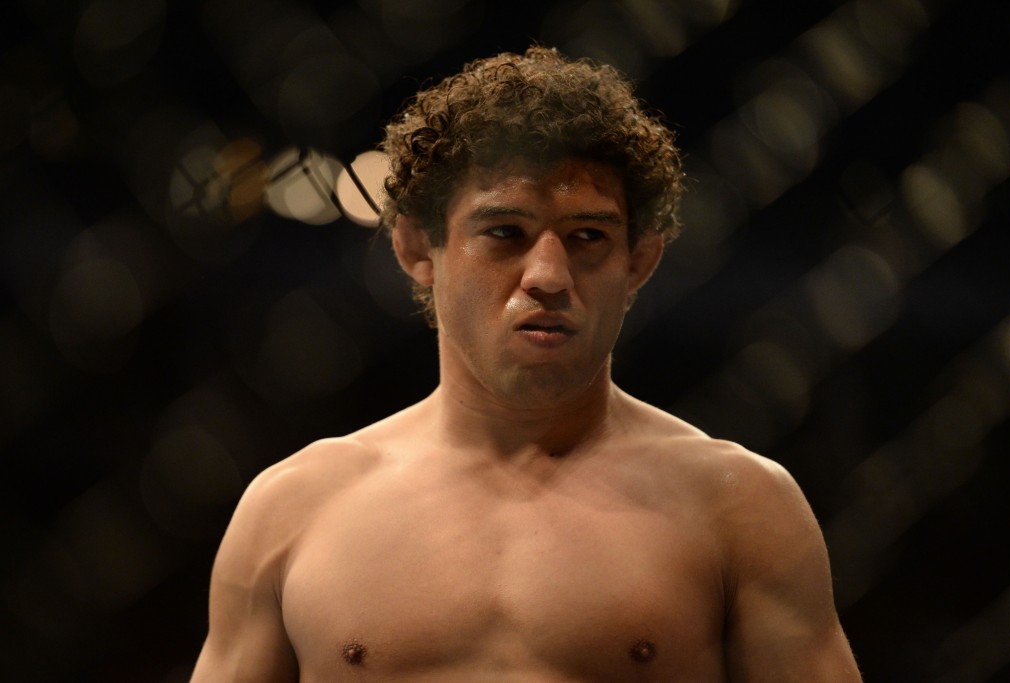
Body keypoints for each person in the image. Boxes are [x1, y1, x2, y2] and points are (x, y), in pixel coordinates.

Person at [191, 46, 861, 681]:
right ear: (417, 249)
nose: (547, 274)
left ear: (640, 261)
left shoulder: (740, 507)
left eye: (588, 237)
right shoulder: (294, 511)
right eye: (504, 233)